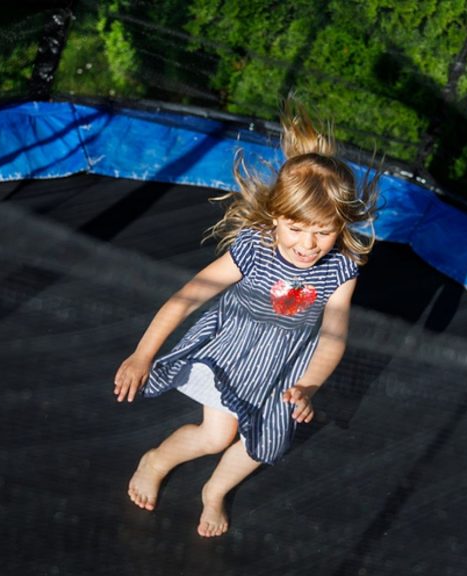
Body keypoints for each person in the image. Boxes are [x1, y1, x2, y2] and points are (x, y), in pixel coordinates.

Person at [113, 98, 378, 538]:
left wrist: (308, 387)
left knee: (265, 442)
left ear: (342, 225)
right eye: (296, 228)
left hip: (284, 367)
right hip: (233, 350)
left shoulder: (341, 268)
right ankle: (157, 459)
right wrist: (143, 354)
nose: (308, 245)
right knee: (217, 436)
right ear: (276, 216)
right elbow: (187, 296)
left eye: (323, 231)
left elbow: (332, 337)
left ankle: (214, 491)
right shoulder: (254, 248)